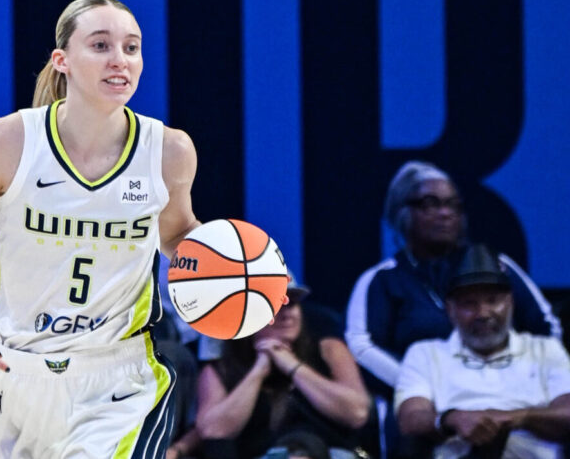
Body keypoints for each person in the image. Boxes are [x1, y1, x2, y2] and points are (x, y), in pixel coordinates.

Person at [0, 0, 209, 458]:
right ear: (62, 60)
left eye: (131, 47)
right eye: (101, 45)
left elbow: (176, 235)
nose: (120, 60)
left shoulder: (168, 151)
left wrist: (236, 272)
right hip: (18, 377)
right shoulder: (9, 142)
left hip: (120, 380)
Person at [345, 161, 560, 395]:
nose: (445, 213)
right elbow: (361, 346)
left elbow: (547, 328)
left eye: (452, 204)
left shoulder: (496, 266)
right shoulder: (383, 279)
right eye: (430, 204)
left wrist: (518, 379)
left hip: (509, 392)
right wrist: (422, 387)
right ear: (402, 212)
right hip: (421, 400)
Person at [395, 244, 570, 458]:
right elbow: (410, 419)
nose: (483, 313)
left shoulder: (544, 349)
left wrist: (517, 417)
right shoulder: (425, 354)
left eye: (493, 301)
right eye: (469, 304)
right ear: (451, 310)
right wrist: (451, 419)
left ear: (510, 303)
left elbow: (567, 410)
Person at [178, 277, 371, 459]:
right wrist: (259, 370)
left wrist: (292, 365)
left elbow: (357, 413)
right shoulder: (223, 367)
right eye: (276, 305)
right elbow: (213, 430)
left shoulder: (329, 348)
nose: (287, 314)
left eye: (292, 304)